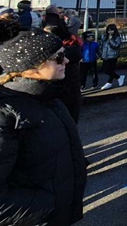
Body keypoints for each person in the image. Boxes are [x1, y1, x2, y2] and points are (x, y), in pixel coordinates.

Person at [0, 29, 86, 225]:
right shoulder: (7, 114)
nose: (66, 61)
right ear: (32, 66)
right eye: (59, 57)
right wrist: (49, 205)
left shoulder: (48, 98)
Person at [100, 24, 125, 90]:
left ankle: (110, 82)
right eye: (108, 30)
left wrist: (111, 40)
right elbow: (102, 45)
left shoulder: (117, 37)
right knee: (105, 69)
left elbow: (116, 46)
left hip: (113, 56)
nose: (110, 32)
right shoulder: (105, 37)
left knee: (110, 69)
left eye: (112, 30)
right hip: (105, 56)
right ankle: (118, 77)